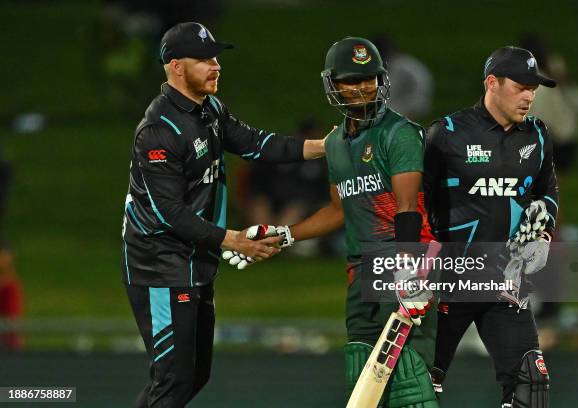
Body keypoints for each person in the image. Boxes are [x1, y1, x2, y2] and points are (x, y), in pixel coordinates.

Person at [226, 37, 439, 408]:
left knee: (411, 389)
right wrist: (286, 235)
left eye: (368, 79)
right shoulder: (336, 144)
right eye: (350, 80)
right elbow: (338, 210)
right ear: (332, 84)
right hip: (360, 274)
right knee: (364, 386)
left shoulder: (399, 133)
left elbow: (409, 207)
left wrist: (409, 271)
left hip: (405, 267)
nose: (360, 88)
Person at [121, 22, 326, 408]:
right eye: (204, 59)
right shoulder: (158, 131)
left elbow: (255, 143)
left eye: (216, 58)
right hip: (160, 268)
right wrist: (234, 240)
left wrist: (325, 147)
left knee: (195, 375)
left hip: (196, 262)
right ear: (176, 67)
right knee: (173, 380)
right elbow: (169, 213)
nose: (216, 66)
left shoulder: (210, 108)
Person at [423, 46, 559, 407]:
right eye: (521, 86)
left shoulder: (538, 135)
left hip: (506, 283)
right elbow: (415, 205)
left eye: (534, 88)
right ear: (492, 83)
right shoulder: (446, 133)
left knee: (531, 387)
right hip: (448, 281)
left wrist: (543, 234)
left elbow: (547, 193)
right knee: (415, 389)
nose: (530, 95)